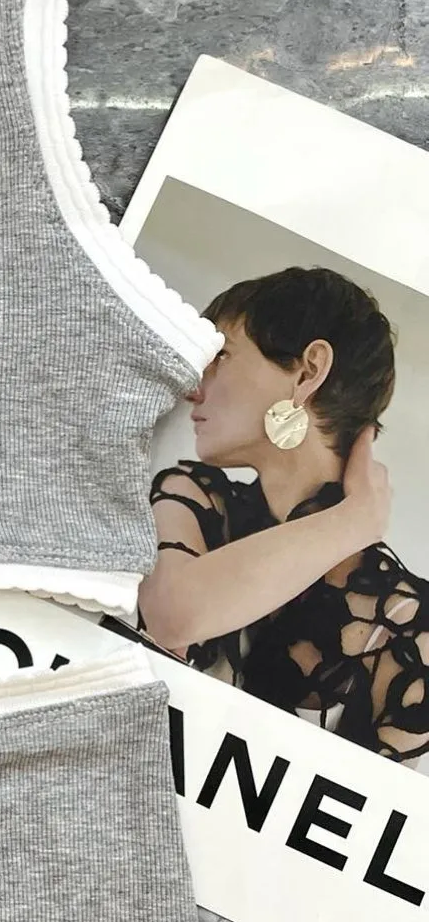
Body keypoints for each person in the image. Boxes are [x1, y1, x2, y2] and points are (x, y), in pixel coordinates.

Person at [136, 265, 429, 766]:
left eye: (221, 355)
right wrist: (354, 521)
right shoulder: (195, 496)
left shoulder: (408, 624)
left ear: (309, 371)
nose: (193, 387)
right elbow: (173, 617)